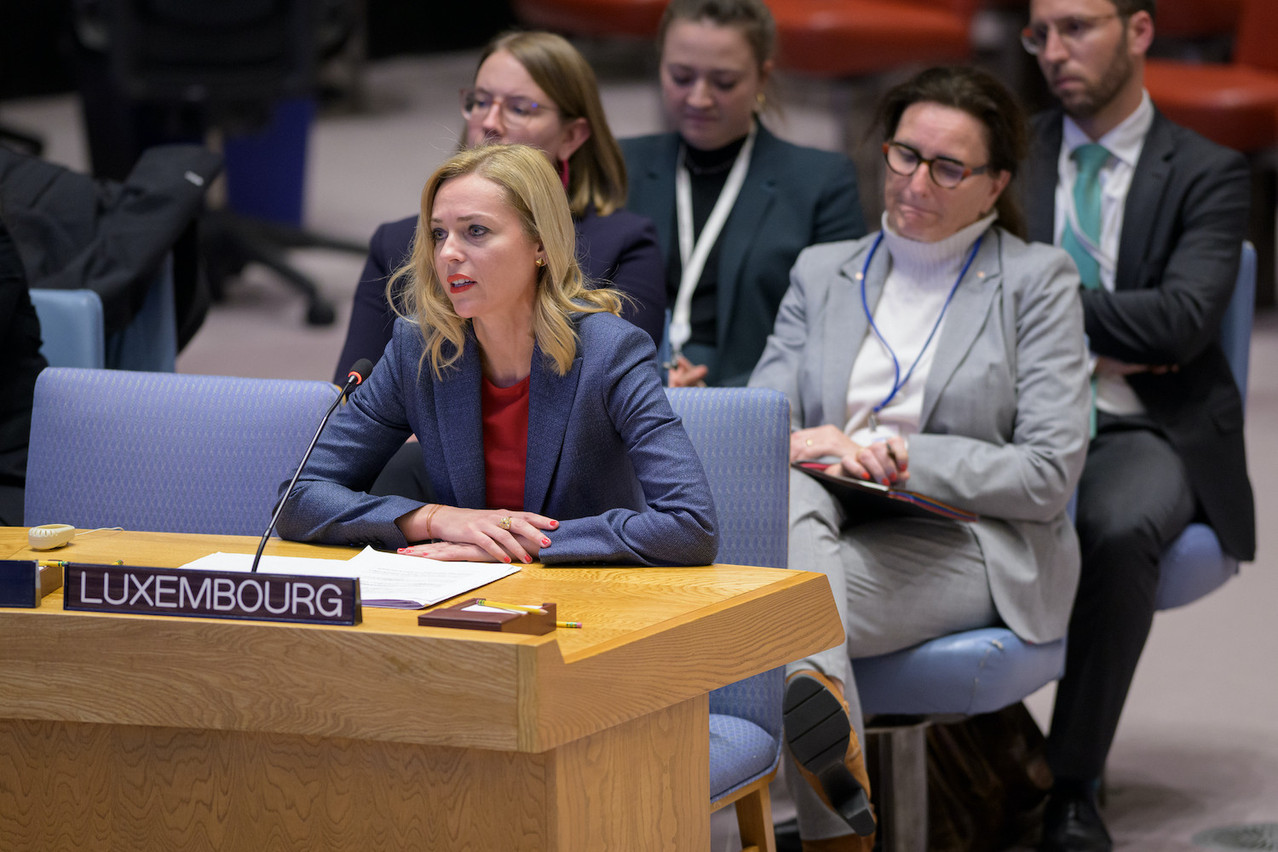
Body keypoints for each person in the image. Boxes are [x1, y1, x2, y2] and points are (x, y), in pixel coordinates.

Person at [749, 66, 1090, 851]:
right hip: (824, 527)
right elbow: (767, 422)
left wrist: (896, 457)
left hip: (973, 542)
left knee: (756, 621)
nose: (914, 182)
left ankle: (829, 825)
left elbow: (1044, 475)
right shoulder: (822, 272)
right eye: (904, 155)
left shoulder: (1037, 283)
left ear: (995, 183)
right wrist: (815, 449)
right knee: (797, 512)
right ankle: (842, 825)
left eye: (947, 168)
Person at [1021, 2, 1255, 849]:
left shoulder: (1208, 170)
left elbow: (1184, 323)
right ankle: (974, 749)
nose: (1055, 51)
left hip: (1143, 426)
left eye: (1077, 27)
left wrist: (1038, 309)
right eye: (1040, 33)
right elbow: (958, 293)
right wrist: (1104, 331)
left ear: (1141, 32)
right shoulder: (1005, 153)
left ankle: (1072, 784)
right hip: (1006, 415)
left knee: (1115, 528)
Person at [276, 144, 717, 568]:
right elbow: (297, 499)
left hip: (582, 593)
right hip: (459, 592)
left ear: (541, 245)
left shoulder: (611, 352)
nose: (448, 252)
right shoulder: (420, 349)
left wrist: (519, 543)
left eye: (476, 231)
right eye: (438, 234)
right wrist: (436, 519)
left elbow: (690, 525)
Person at [334, 29, 667, 384]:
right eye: (480, 101)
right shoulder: (396, 243)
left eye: (519, 108)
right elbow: (352, 397)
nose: (490, 122)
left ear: (571, 136)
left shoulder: (625, 245)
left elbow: (613, 396)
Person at [622, 0, 865, 388]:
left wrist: (729, 397)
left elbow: (832, 330)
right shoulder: (621, 165)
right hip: (626, 396)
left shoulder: (821, 182)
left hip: (755, 398)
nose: (698, 98)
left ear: (762, 78)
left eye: (724, 83)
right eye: (681, 77)